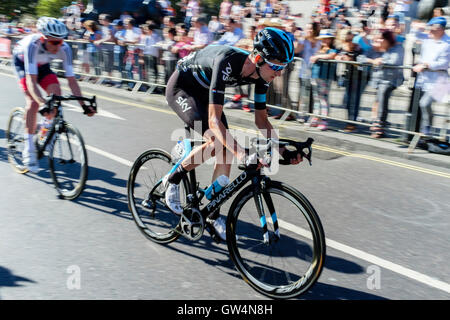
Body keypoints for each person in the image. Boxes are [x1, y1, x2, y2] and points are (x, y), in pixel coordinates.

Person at [163, 27, 303, 241]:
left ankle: (212, 214)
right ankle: (172, 179)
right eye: (276, 65)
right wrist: (243, 155)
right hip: (183, 87)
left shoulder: (262, 77)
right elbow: (213, 121)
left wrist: (282, 149)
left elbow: (261, 120)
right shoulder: (227, 62)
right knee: (218, 143)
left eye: (284, 66)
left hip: (205, 90)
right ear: (257, 57)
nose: (279, 72)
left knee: (226, 150)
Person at [12, 17, 96, 173]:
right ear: (43, 38)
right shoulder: (32, 45)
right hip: (22, 63)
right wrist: (42, 103)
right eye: (55, 42)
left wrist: (84, 106)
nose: (59, 45)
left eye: (61, 41)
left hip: (42, 65)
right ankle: (29, 149)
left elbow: (72, 82)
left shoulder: (64, 48)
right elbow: (31, 81)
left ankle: (45, 131)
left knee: (56, 95)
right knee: (33, 103)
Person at [361, 30, 404, 138]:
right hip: (378, 80)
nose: (379, 41)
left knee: (382, 99)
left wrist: (381, 60)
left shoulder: (398, 47)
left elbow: (395, 61)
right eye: (378, 39)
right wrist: (372, 61)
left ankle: (380, 127)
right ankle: (376, 124)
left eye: (381, 39)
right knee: (378, 102)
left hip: (390, 80)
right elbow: (360, 58)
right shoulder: (377, 48)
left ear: (387, 39)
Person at [412, 16, 450, 136]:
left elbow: (443, 63)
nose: (430, 31)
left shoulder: (447, 44)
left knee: (424, 103)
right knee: (421, 106)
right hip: (425, 79)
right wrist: (419, 27)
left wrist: (426, 64)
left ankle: (427, 130)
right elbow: (415, 34)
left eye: (433, 29)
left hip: (439, 80)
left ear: (440, 29)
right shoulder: (428, 38)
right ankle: (425, 132)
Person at [309, 29, 338, 131]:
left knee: (323, 99)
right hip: (315, 75)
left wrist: (317, 57)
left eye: (327, 39)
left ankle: (324, 120)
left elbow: (331, 56)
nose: (324, 41)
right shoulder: (320, 49)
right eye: (323, 39)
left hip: (325, 77)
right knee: (317, 98)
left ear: (330, 40)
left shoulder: (332, 49)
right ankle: (316, 117)